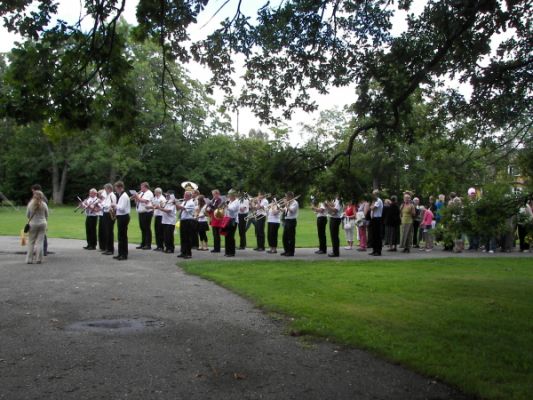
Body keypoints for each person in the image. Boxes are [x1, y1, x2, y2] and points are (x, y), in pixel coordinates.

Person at [25, 190, 48, 264]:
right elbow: (46, 215)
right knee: (40, 242)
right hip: (42, 223)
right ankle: (39, 259)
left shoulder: (30, 204)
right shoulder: (44, 204)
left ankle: (29, 259)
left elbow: (28, 215)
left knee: (31, 242)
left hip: (33, 224)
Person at [112, 181, 130, 261]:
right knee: (120, 236)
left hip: (124, 217)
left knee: (122, 236)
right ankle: (120, 253)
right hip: (121, 216)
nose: (115, 190)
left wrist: (114, 205)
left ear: (120, 187)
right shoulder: (121, 195)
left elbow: (122, 208)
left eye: (116, 188)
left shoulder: (124, 196)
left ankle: (124, 254)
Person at [133, 182, 154, 250]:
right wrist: (136, 198)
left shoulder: (149, 193)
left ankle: (148, 244)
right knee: (142, 228)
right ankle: (143, 243)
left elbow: (145, 201)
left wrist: (137, 196)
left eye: (142, 187)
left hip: (147, 212)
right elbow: (137, 202)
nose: (140, 188)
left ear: (145, 187)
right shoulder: (141, 193)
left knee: (147, 228)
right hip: (141, 212)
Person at [31, 184, 49, 256]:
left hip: (39, 220)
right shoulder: (43, 198)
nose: (32, 193)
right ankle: (41, 250)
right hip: (42, 220)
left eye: (33, 191)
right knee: (41, 235)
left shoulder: (41, 199)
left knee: (41, 236)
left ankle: (42, 251)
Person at [176, 191, 196, 259]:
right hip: (183, 220)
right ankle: (183, 252)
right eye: (184, 195)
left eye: (185, 195)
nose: (184, 196)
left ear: (189, 196)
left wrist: (176, 203)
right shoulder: (184, 202)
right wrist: (176, 204)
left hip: (188, 221)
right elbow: (178, 208)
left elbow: (184, 208)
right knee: (183, 237)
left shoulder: (191, 203)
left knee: (188, 238)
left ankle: (188, 253)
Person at [101, 183, 117, 255]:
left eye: (106, 189)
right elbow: (104, 203)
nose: (105, 190)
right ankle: (107, 248)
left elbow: (112, 205)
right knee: (106, 231)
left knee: (109, 232)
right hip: (105, 213)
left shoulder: (112, 195)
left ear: (109, 189)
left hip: (109, 214)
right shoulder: (108, 195)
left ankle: (110, 249)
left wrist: (104, 205)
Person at [281, 192, 299, 256]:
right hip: (286, 220)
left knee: (291, 237)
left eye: (286, 197)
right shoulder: (289, 202)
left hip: (292, 220)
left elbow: (291, 211)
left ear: (290, 197)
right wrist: (279, 208)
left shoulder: (295, 203)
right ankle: (286, 250)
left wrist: (286, 204)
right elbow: (285, 210)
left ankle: (291, 252)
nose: (286, 198)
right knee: (284, 237)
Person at [224, 189, 240, 257]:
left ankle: (231, 252)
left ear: (233, 195)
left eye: (229, 195)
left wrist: (226, 206)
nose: (228, 196)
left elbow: (232, 210)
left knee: (230, 236)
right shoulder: (230, 201)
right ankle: (227, 251)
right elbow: (227, 211)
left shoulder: (236, 202)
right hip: (227, 220)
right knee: (226, 235)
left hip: (233, 220)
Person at [369, 189, 383, 256]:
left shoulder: (378, 200)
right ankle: (374, 250)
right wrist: (371, 205)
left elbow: (372, 208)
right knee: (373, 235)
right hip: (373, 219)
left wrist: (371, 206)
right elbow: (370, 207)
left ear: (376, 194)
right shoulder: (374, 201)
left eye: (373, 194)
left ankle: (378, 251)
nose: (372, 195)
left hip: (377, 219)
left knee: (377, 235)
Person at [151, 188, 166, 252]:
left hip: (161, 216)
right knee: (157, 231)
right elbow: (154, 205)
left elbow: (162, 206)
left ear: (158, 192)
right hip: (157, 215)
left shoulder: (162, 198)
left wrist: (157, 206)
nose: (154, 193)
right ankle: (158, 245)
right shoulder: (155, 198)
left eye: (155, 192)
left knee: (160, 231)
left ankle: (161, 246)